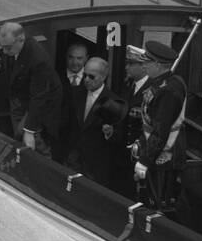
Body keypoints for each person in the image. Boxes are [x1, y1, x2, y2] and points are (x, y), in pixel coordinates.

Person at [132, 41, 187, 210]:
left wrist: (145, 161)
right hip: (152, 149)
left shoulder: (169, 91)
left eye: (146, 62)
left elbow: (160, 131)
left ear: (157, 65)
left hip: (164, 157)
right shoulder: (160, 83)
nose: (143, 66)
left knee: (156, 200)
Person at [0, 21, 62, 156]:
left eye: (7, 48)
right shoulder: (13, 46)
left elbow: (39, 97)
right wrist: (0, 65)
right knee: (19, 134)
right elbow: (11, 61)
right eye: (1, 47)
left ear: (21, 40)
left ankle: (44, 163)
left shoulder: (38, 60)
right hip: (20, 97)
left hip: (41, 101)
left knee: (28, 136)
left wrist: (29, 130)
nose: (4, 51)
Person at [66, 57, 127, 187]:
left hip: (96, 165)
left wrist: (110, 133)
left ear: (103, 77)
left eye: (91, 77)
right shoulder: (75, 93)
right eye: (85, 75)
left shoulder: (114, 102)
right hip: (73, 158)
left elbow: (119, 136)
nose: (86, 80)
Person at [54, 42, 91, 163]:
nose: (75, 62)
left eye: (79, 58)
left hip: (82, 144)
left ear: (87, 59)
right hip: (57, 139)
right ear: (66, 57)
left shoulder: (93, 80)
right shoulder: (55, 77)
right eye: (71, 57)